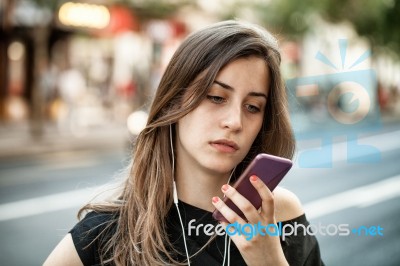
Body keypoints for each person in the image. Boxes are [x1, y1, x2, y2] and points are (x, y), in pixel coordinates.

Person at [44, 20, 324, 266]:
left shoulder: (280, 215)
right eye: (216, 97)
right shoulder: (107, 232)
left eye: (252, 107)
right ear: (173, 102)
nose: (235, 121)